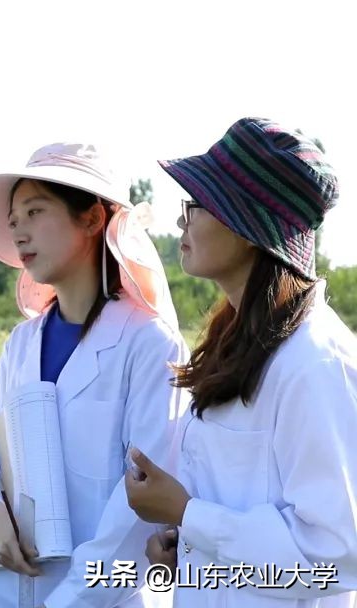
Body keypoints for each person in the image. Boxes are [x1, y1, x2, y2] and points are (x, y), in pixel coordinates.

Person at [126, 117, 357, 607]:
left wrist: (190, 516)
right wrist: (185, 551)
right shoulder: (243, 343)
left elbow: (337, 555)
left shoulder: (314, 361)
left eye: (197, 204)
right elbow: (248, 505)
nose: (181, 220)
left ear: (249, 227)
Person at [0, 142, 190, 607]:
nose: (19, 231)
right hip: (2, 590)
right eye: (14, 220)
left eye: (35, 211)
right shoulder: (22, 343)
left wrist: (70, 600)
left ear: (93, 219)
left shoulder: (149, 344)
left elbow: (141, 506)